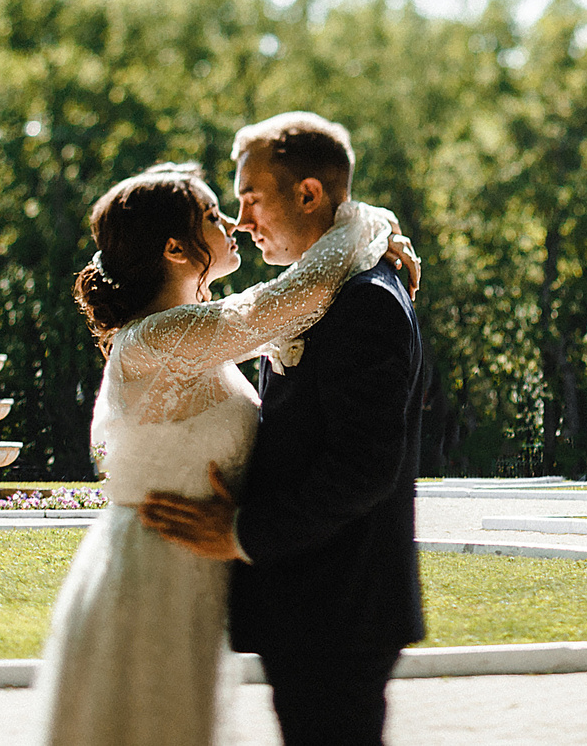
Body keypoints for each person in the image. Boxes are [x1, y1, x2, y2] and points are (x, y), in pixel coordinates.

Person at [31, 147, 416, 746]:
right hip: (153, 571)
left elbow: (295, 314)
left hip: (194, 569)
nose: (233, 223)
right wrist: (368, 224)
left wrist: (370, 252)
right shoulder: (157, 340)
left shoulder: (194, 334)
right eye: (214, 214)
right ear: (175, 249)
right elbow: (282, 304)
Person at [138, 112, 430, 746]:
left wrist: (242, 532)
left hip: (339, 609)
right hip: (308, 603)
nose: (242, 220)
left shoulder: (365, 301)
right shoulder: (314, 297)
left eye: (251, 198)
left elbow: (362, 469)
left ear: (308, 193)